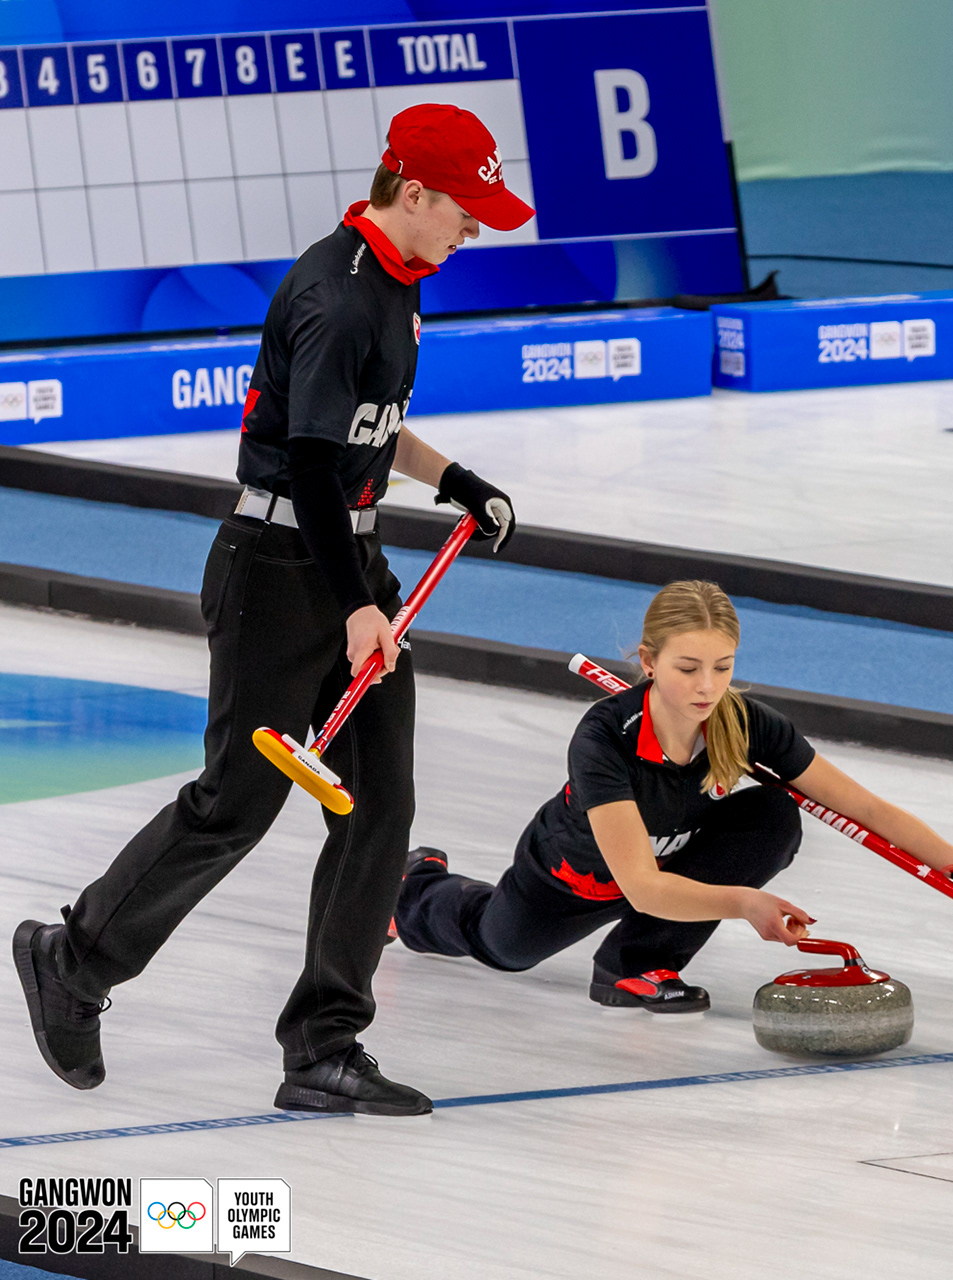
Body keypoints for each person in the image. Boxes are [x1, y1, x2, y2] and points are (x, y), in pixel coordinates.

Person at [14, 104, 532, 1117]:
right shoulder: (337, 296)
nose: (475, 227)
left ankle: (325, 1046)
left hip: (346, 560)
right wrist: (356, 608)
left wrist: (457, 480)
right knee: (235, 806)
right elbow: (310, 462)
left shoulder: (395, 279)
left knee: (378, 805)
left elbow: (367, 428)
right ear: (412, 192)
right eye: (465, 208)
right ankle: (73, 959)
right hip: (279, 573)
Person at [391, 581, 953, 1011]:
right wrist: (744, 902)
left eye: (723, 667)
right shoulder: (604, 738)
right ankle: (414, 885)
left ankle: (635, 966)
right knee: (502, 948)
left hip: (670, 863)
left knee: (774, 814)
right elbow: (641, 887)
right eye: (688, 668)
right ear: (649, 661)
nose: (707, 687)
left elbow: (866, 808)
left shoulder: (745, 722)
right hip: (579, 874)